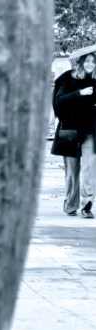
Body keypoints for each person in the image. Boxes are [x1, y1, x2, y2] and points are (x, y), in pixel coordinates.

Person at [52, 44, 96, 218]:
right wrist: (80, 93)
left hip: (91, 130)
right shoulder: (68, 78)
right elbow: (59, 101)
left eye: (94, 61)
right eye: (88, 61)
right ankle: (71, 204)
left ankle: (87, 206)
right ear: (80, 62)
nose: (91, 64)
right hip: (70, 129)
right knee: (72, 170)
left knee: (89, 167)